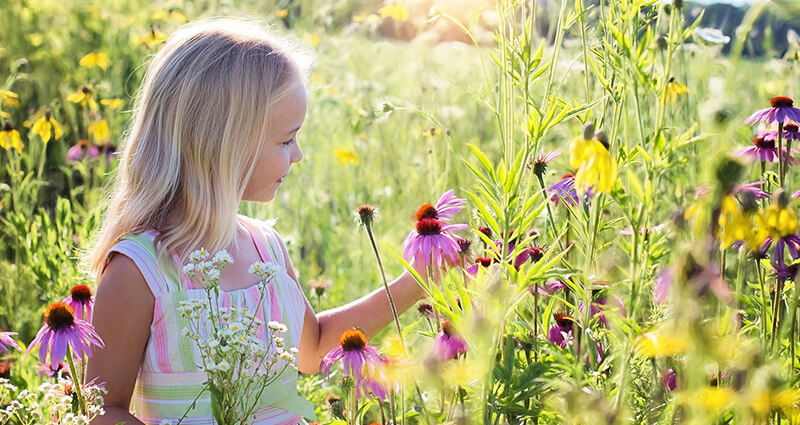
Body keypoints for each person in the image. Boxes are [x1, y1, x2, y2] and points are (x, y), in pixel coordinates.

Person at [83, 17, 430, 425]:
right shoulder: (141, 271)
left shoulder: (266, 247)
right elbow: (103, 410)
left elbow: (313, 347)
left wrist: (416, 280)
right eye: (286, 140)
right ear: (223, 144)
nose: (297, 154)